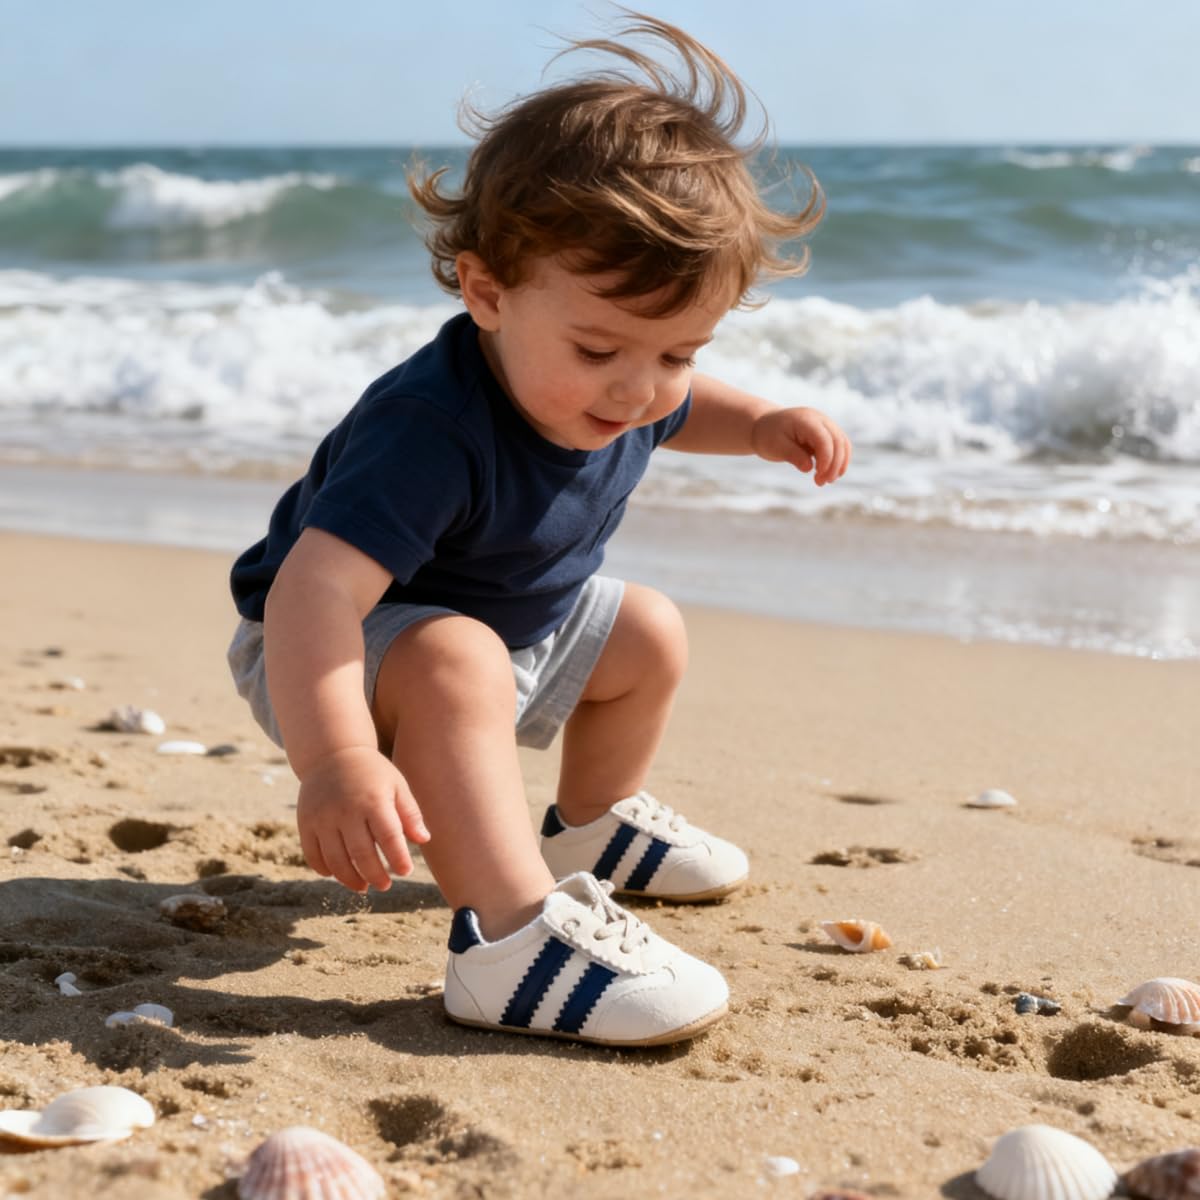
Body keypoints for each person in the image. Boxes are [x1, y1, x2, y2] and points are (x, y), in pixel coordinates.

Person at [227, 10, 850, 1048]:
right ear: (487, 291)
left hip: (516, 627)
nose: (641, 389)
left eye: (679, 352)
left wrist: (760, 424)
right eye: (602, 349)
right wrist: (333, 758)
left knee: (644, 630)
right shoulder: (430, 430)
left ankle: (591, 827)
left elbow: (682, 409)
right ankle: (508, 938)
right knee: (457, 659)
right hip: (331, 656)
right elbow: (312, 592)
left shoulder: (620, 388)